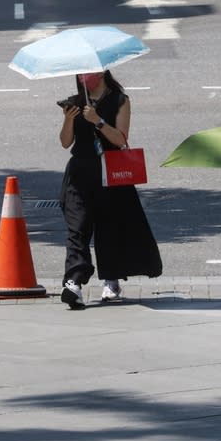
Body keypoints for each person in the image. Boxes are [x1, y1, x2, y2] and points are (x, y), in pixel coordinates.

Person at [57, 70, 162, 309]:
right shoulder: (76, 101)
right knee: (77, 227)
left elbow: (121, 139)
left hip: (110, 171)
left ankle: (111, 278)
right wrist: (68, 119)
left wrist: (98, 121)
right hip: (79, 172)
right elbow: (65, 142)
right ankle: (74, 281)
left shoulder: (120, 100)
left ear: (102, 72)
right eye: (80, 73)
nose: (84, 77)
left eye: (88, 72)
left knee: (109, 227)